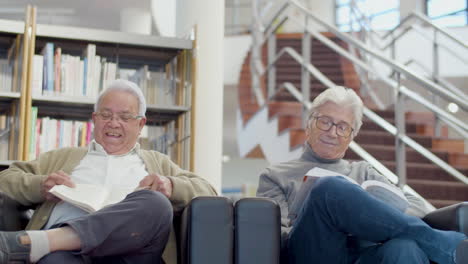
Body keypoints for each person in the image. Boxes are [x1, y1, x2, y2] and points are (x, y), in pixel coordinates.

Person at [0, 79, 217, 264]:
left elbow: (209, 191)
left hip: (132, 254)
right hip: (66, 256)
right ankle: (52, 242)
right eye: (106, 115)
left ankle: (40, 242)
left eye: (124, 117)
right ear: (94, 119)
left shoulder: (157, 162)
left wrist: (171, 185)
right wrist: (40, 185)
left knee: (156, 203)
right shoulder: (62, 157)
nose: (114, 123)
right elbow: (5, 179)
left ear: (140, 124)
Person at [257, 86, 468, 264]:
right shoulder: (275, 175)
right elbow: (277, 238)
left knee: (404, 247)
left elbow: (417, 205)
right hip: (314, 253)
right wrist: (314, 212)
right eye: (325, 122)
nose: (332, 132)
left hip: (360, 255)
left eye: (343, 127)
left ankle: (442, 246)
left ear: (352, 136)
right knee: (328, 188)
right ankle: (445, 246)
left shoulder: (363, 171)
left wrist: (366, 215)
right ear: (309, 123)